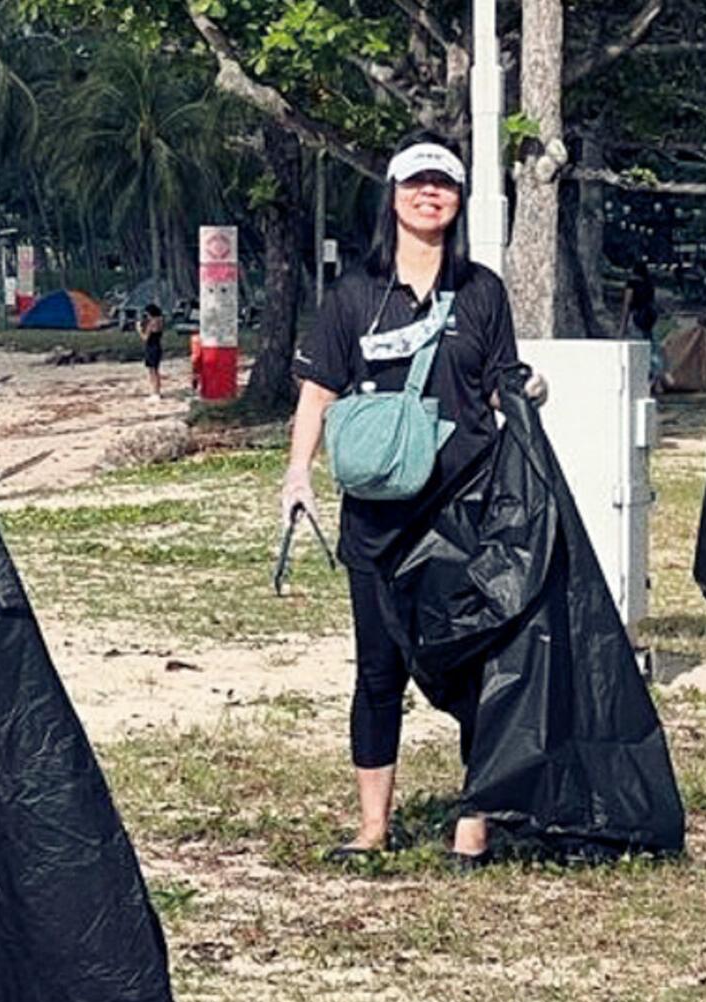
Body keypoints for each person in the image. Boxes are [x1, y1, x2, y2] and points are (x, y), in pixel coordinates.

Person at [282, 138, 543, 872]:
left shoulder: (483, 292)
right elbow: (319, 388)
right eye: (416, 183)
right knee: (377, 671)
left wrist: (527, 399)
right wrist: (297, 475)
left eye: (444, 185)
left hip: (464, 509)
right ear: (393, 194)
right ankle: (372, 826)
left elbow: (498, 382)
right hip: (377, 515)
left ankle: (475, 825)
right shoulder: (354, 296)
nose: (430, 196)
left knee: (475, 668)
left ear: (458, 201)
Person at [621, 259, 657, 342]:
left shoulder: (632, 284)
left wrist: (622, 328)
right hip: (648, 317)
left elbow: (627, 304)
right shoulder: (649, 285)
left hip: (636, 316)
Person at [140, 303, 166, 399]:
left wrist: (139, 329)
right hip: (158, 346)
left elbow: (145, 337)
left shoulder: (151, 323)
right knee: (156, 370)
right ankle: (157, 391)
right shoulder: (160, 321)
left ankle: (155, 392)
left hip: (151, 347)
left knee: (152, 371)